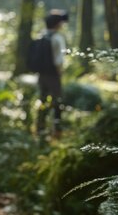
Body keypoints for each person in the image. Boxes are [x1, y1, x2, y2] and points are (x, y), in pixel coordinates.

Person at [36, 9, 68, 140]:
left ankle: (40, 128)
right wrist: (60, 74)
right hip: (53, 75)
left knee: (42, 100)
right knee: (57, 102)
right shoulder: (57, 38)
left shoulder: (42, 35)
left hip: (41, 75)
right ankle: (57, 131)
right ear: (57, 24)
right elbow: (58, 60)